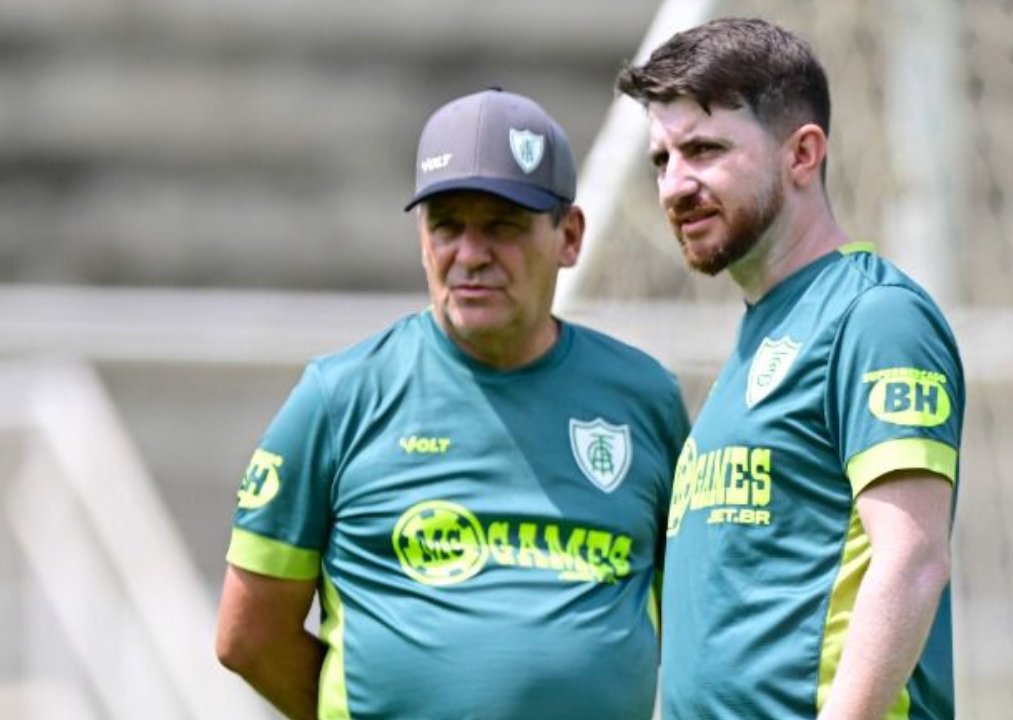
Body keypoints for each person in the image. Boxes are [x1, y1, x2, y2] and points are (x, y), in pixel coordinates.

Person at [214, 88, 689, 719]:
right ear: (420, 237)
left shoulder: (644, 399)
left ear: (569, 237)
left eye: (502, 226)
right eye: (446, 226)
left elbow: (689, 618)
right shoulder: (338, 399)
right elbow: (248, 637)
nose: (470, 255)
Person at [616, 17, 964, 720]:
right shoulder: (760, 336)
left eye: (705, 150)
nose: (675, 186)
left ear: (802, 154)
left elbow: (912, 557)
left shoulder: (874, 316)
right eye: (662, 160)